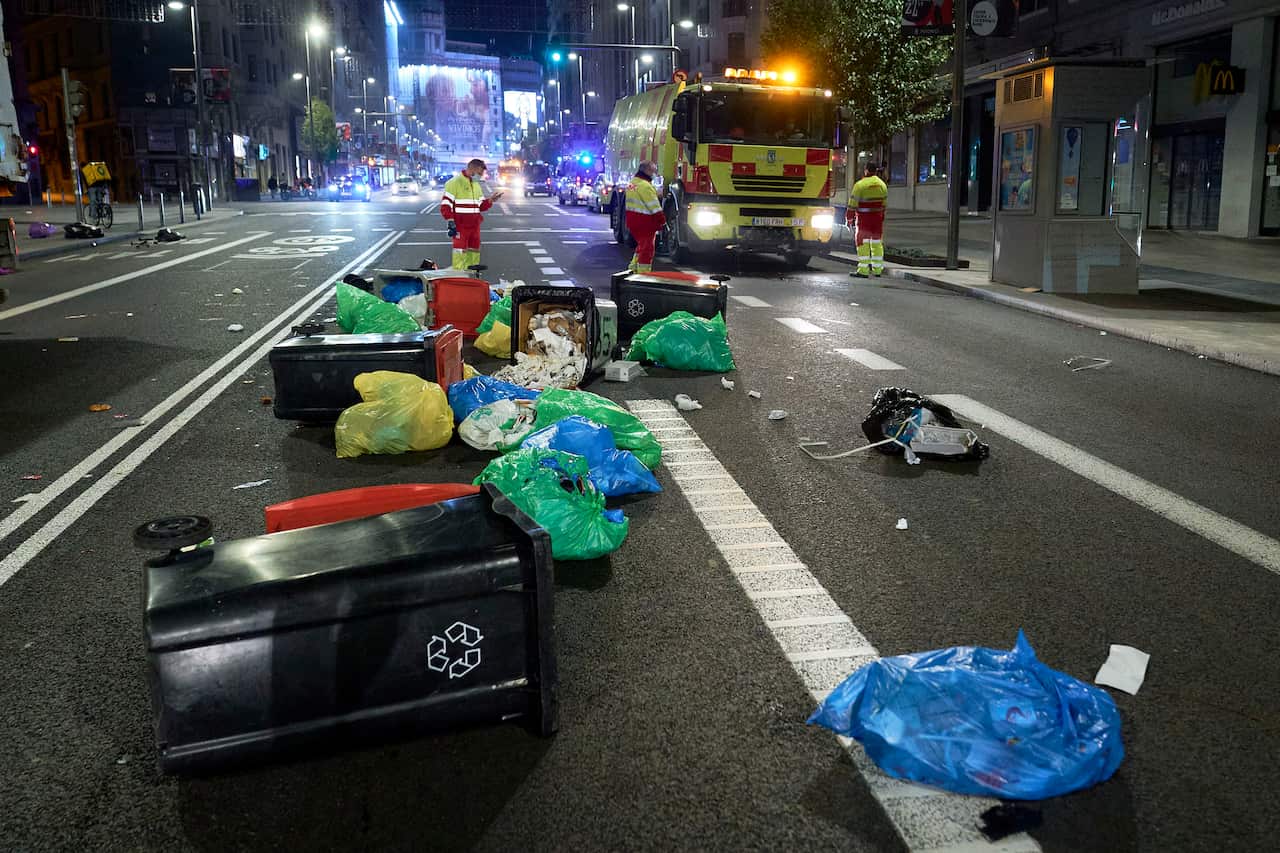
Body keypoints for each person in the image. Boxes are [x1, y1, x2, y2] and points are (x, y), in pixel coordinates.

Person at [441, 158, 504, 270]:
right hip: (460, 225)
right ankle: (459, 279)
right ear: (472, 169)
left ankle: (473, 278)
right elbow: (446, 205)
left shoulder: (475, 185)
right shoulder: (454, 183)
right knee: (460, 252)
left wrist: (491, 200)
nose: (480, 176)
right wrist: (450, 221)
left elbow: (480, 206)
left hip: (474, 225)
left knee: (474, 252)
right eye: (479, 173)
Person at [847, 162, 888, 278]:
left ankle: (863, 270)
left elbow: (852, 205)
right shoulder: (882, 185)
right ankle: (877, 270)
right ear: (875, 171)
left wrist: (849, 219)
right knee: (877, 243)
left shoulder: (860, 185)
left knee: (862, 243)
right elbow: (884, 204)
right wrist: (881, 217)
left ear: (866, 170)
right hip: (877, 219)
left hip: (864, 220)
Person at [624, 161, 666, 273]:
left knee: (641, 247)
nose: (654, 174)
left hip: (634, 221)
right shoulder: (645, 186)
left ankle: (632, 270)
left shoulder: (633, 183)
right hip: (645, 223)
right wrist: (662, 221)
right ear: (647, 171)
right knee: (647, 250)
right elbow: (654, 207)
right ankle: (643, 275)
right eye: (653, 171)